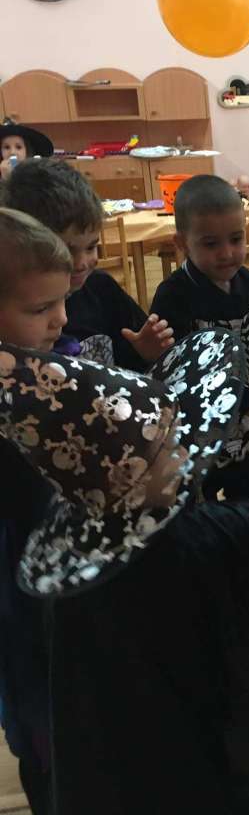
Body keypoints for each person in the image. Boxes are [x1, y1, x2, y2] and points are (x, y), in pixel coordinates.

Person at [0, 330, 249, 815]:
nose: (182, 448)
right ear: (129, 483)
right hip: (219, 751)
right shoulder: (195, 537)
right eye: (166, 446)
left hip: (147, 764)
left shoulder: (77, 586)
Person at [151, 174, 249, 498]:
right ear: (181, 243)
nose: (227, 253)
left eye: (236, 239)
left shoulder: (247, 282)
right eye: (211, 244)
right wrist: (241, 396)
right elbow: (174, 371)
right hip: (192, 432)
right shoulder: (173, 296)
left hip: (246, 424)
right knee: (199, 509)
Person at [0, 208, 73, 814]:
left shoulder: (35, 371)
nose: (61, 319)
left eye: (63, 300)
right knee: (41, 730)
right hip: (17, 602)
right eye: (40, 308)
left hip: (58, 587)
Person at [2, 157, 172, 370]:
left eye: (91, 247)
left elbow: (132, 364)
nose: (81, 263)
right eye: (67, 250)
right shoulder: (16, 307)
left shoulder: (101, 289)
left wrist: (145, 353)